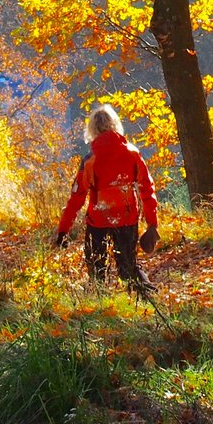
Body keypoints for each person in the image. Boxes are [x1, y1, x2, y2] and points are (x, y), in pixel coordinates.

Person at [55, 105, 159, 296]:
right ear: (115, 125)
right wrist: (152, 223)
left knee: (97, 268)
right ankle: (147, 300)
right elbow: (147, 188)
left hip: (98, 221)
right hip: (127, 218)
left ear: (92, 130)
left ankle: (100, 306)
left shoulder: (90, 160)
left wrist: (63, 230)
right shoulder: (132, 153)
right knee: (128, 267)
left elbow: (76, 198)